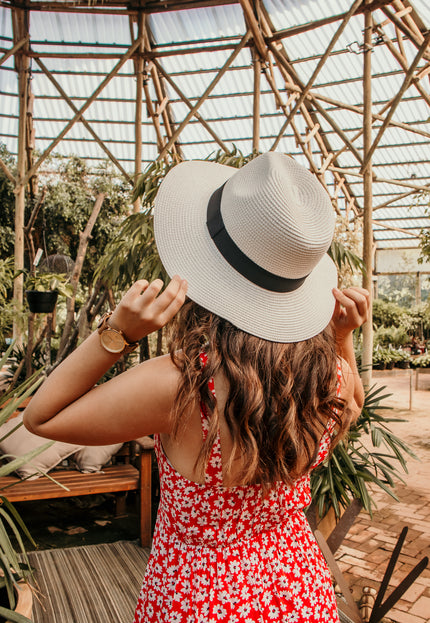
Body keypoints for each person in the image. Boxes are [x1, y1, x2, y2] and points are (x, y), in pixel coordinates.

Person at [24, 152, 369, 623]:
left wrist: (116, 335)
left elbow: (41, 417)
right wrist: (342, 339)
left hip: (198, 599)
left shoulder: (181, 386)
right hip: (297, 591)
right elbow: (353, 405)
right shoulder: (329, 372)